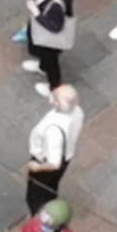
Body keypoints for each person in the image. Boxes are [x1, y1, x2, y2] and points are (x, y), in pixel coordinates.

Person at [24, 83, 81, 213]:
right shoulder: (77, 111)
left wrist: (37, 167)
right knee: (50, 187)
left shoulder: (53, 131)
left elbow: (54, 163)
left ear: (57, 104)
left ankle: (42, 219)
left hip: (45, 162)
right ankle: (50, 203)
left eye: (55, 97)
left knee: (35, 196)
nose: (52, 97)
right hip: (66, 155)